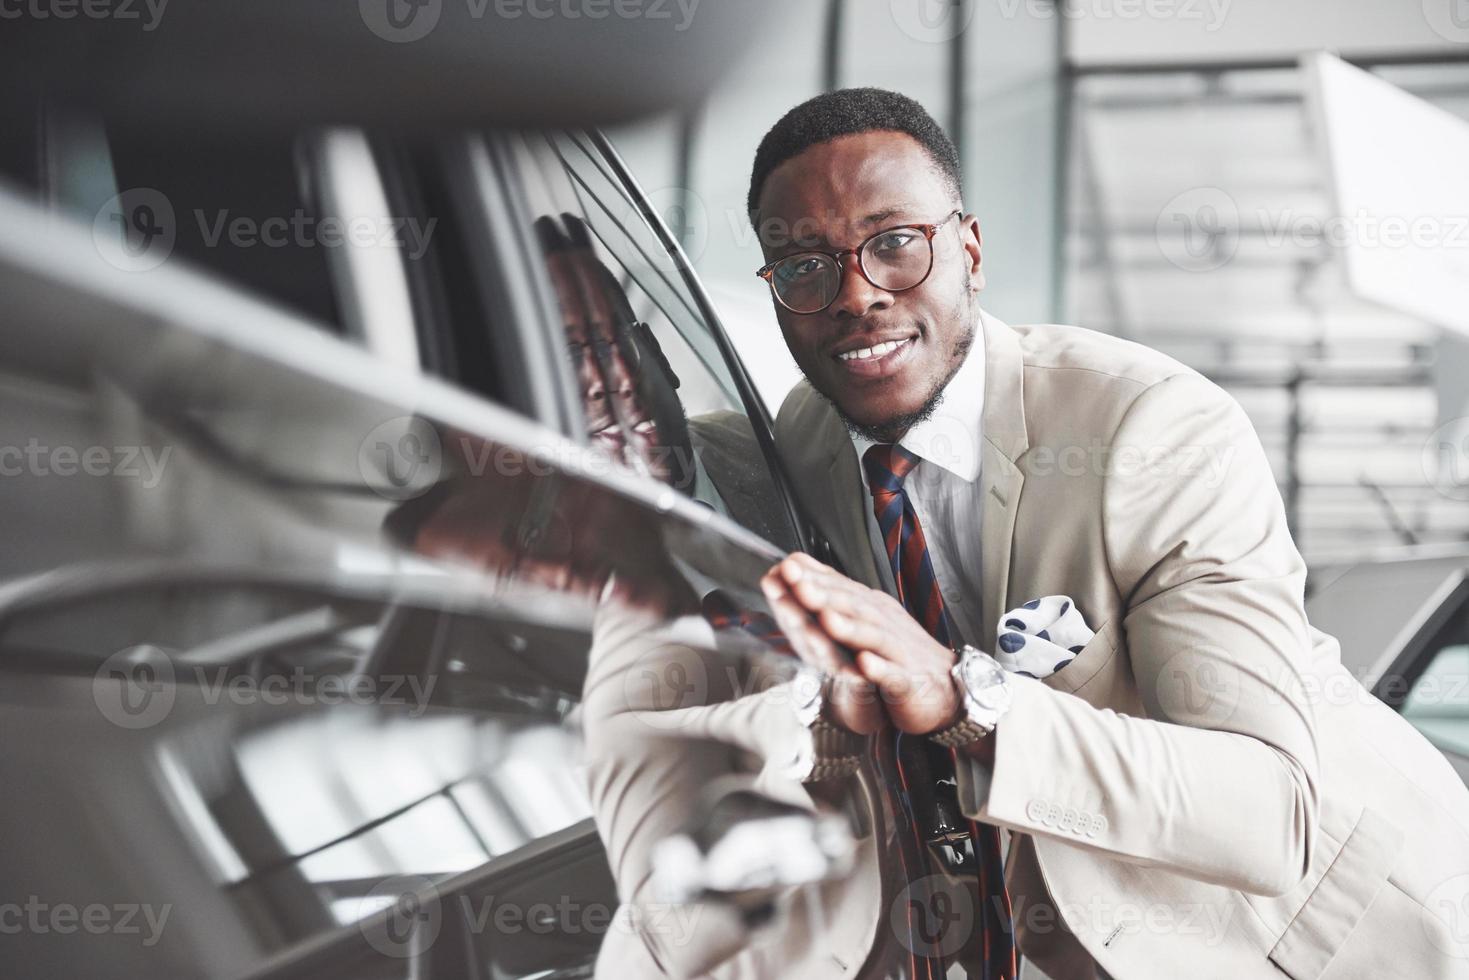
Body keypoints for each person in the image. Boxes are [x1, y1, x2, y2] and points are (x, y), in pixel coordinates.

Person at [750, 87, 1469, 980]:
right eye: (804, 268)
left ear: (968, 251)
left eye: (895, 243)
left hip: (1317, 939)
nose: (855, 295)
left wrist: (967, 698)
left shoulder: (1153, 430)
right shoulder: (806, 439)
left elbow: (1267, 808)